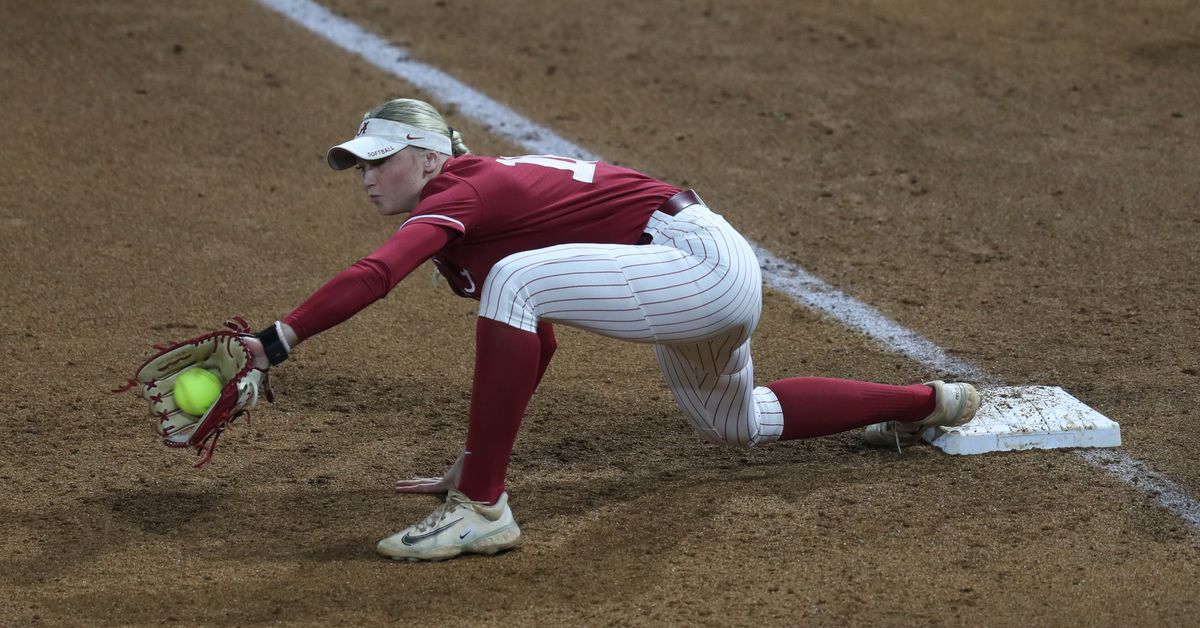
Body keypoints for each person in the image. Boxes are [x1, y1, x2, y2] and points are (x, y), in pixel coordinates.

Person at [244, 98, 980, 562]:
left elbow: (377, 274)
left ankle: (483, 511)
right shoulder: (470, 208)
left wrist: (278, 339)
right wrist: (474, 454)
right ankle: (929, 404)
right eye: (358, 167)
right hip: (684, 272)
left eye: (382, 160)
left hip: (693, 259)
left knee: (516, 282)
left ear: (431, 157)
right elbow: (540, 338)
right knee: (734, 420)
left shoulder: (464, 188)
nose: (368, 177)